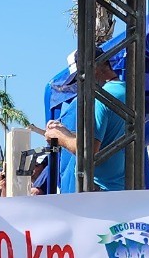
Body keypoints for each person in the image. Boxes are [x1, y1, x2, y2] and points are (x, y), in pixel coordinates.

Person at [44, 51, 130, 192]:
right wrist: (66, 133)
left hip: (102, 194)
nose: (80, 85)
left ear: (94, 67)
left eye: (81, 77)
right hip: (122, 190)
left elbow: (88, 150)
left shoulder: (101, 98)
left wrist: (60, 137)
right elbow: (106, 138)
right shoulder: (127, 92)